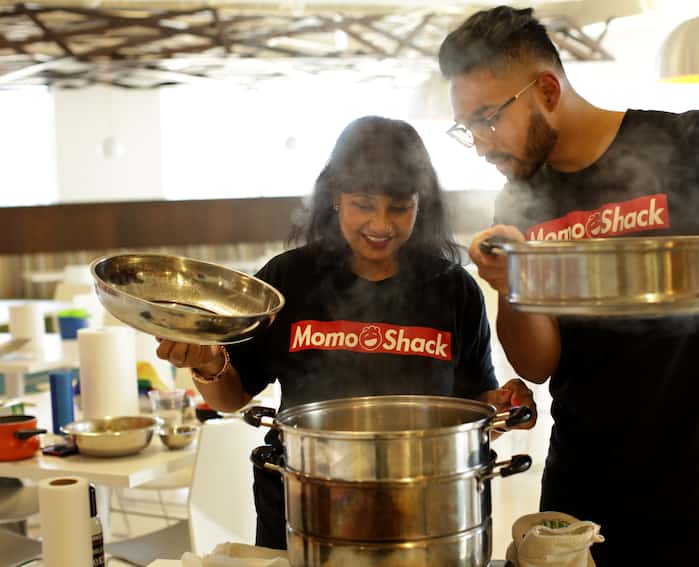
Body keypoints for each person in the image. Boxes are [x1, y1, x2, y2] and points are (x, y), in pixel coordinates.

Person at [438, 6, 699, 566]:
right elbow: (539, 364)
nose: (480, 142)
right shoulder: (522, 199)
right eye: (467, 126)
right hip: (579, 489)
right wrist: (512, 283)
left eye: (488, 117)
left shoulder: (691, 142)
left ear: (546, 88)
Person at [155, 115, 536, 549]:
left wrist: (502, 406)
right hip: (302, 502)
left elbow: (472, 408)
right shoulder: (289, 279)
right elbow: (232, 397)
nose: (381, 224)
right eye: (363, 204)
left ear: (421, 204)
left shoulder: (452, 289)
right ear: (335, 198)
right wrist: (206, 362)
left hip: (420, 511)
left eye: (399, 207)